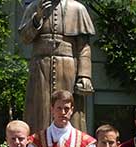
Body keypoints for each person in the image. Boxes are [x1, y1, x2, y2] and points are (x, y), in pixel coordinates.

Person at [19, 0, 95, 133]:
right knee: (39, 111)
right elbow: (25, 38)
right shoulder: (34, 7)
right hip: (40, 67)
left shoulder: (77, 8)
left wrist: (84, 75)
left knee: (69, 108)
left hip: (68, 67)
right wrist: (37, 18)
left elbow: (84, 47)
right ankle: (38, 146)